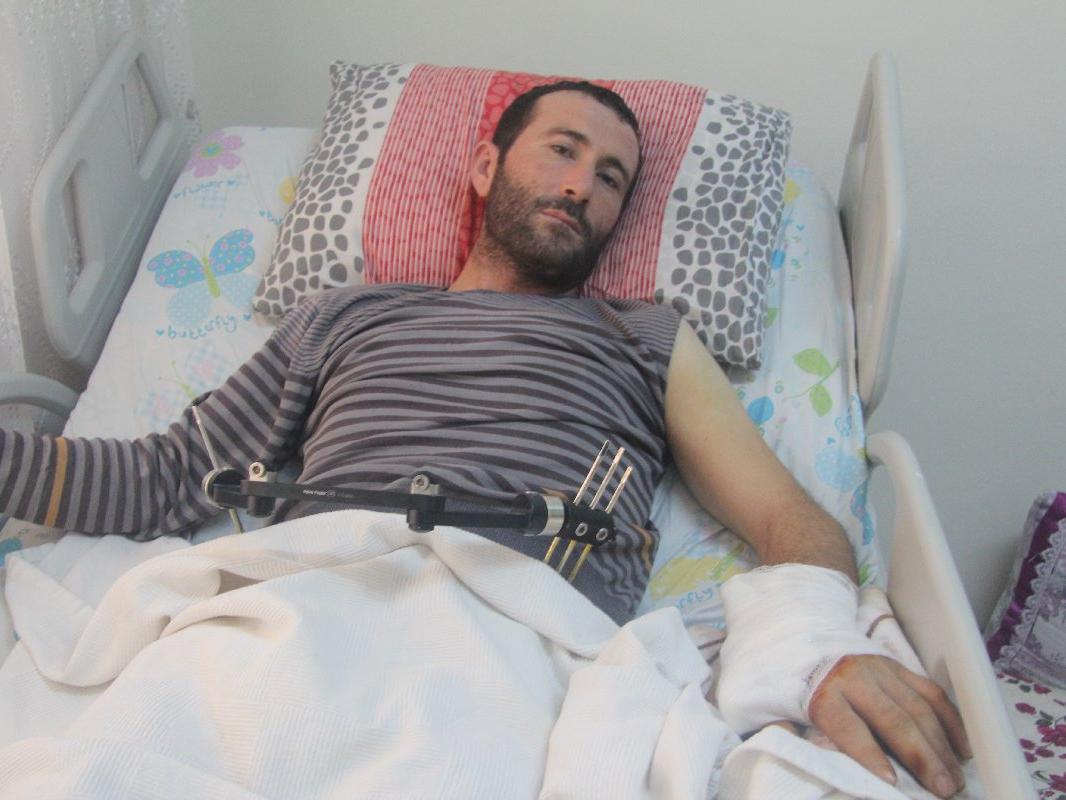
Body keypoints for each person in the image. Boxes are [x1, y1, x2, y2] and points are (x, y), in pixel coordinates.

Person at [0, 81, 969, 797]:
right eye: (561, 150)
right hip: (300, 604)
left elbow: (788, 516)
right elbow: (165, 476)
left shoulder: (643, 337)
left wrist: (816, 644)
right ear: (482, 167)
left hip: (511, 635)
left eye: (610, 177)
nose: (581, 186)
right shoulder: (346, 314)